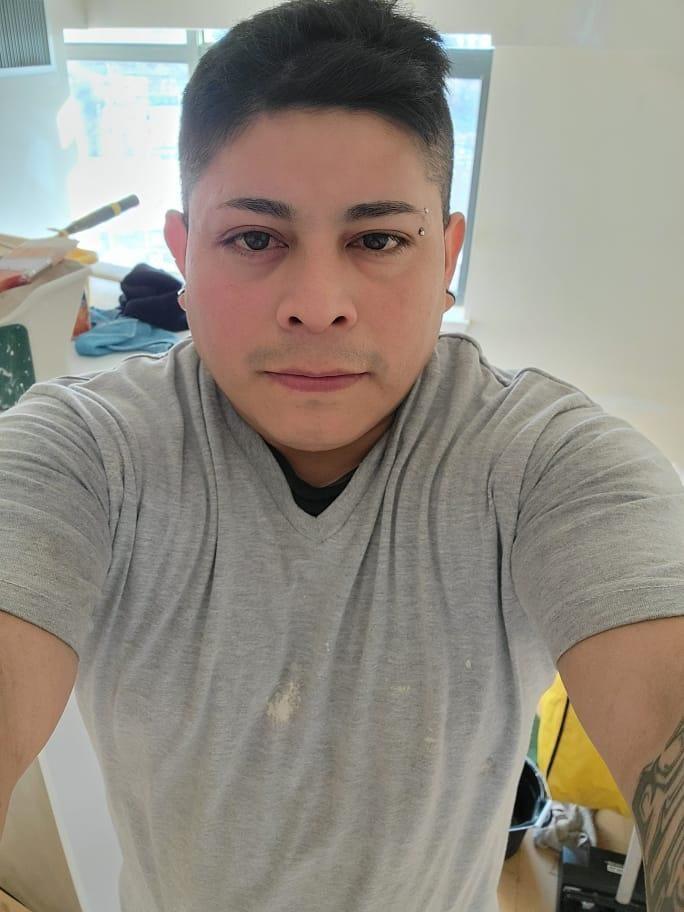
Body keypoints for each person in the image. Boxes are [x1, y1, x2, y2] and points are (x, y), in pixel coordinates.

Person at [1, 0, 682, 909]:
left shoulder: (544, 466)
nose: (318, 304)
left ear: (445, 259)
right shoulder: (84, 454)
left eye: (378, 240)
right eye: (255, 238)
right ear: (184, 255)